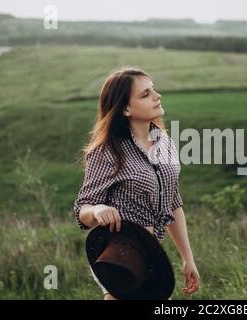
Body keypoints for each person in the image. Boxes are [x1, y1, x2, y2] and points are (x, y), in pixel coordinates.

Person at [73, 66, 200, 300]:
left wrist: (187, 258)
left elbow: (172, 203)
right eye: (145, 94)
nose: (156, 96)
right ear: (126, 109)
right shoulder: (108, 151)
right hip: (120, 257)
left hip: (150, 253)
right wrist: (98, 209)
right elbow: (83, 209)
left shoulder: (165, 144)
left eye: (154, 89)